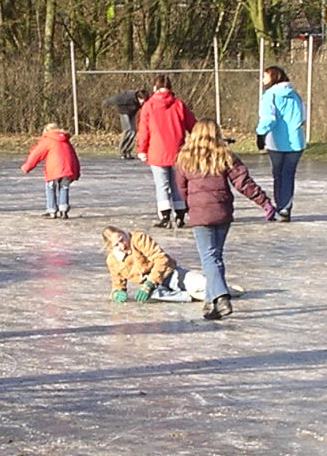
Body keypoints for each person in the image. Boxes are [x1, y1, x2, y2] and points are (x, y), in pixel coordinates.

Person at [171, 117, 274, 321]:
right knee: (215, 257)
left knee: (209, 257)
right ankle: (212, 303)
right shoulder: (225, 155)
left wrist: (184, 210)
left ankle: (221, 297)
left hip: (200, 215)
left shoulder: (184, 158)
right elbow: (244, 183)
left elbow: (180, 190)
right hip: (222, 212)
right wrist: (264, 202)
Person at [134, 74, 196, 227]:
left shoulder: (149, 105)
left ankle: (165, 217)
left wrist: (142, 149)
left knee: (162, 184)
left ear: (155, 87)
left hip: (157, 151)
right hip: (178, 152)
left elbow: (144, 130)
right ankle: (180, 215)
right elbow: (193, 125)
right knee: (178, 184)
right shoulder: (179, 104)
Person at [256, 65, 305, 221]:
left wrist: (260, 133)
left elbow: (268, 118)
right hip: (296, 142)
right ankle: (285, 207)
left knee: (278, 174)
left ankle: (281, 206)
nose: (262, 80)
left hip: (276, 142)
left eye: (265, 76)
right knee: (288, 174)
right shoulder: (295, 95)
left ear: (273, 77)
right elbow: (303, 116)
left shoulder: (269, 95)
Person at [101, 224, 199, 303]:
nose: (122, 246)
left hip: (169, 274)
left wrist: (150, 282)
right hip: (153, 290)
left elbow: (161, 258)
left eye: (122, 240)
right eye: (116, 245)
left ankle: (192, 294)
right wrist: (116, 293)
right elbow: (117, 282)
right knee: (151, 295)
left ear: (124, 234)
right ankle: (187, 296)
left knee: (200, 286)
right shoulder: (113, 260)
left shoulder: (138, 239)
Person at [21, 121, 81, 218]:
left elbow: (36, 155)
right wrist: (77, 172)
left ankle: (52, 210)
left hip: (53, 170)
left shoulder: (48, 140)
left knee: (50, 188)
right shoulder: (66, 141)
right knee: (64, 188)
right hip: (68, 170)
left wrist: (27, 167)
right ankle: (63, 210)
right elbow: (74, 157)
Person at [106, 87, 147, 160]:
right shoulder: (128, 96)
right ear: (138, 97)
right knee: (128, 130)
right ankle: (122, 151)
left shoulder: (144, 99)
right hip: (124, 112)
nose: (142, 102)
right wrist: (107, 101)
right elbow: (117, 98)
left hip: (132, 113)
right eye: (141, 100)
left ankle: (128, 151)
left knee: (133, 131)